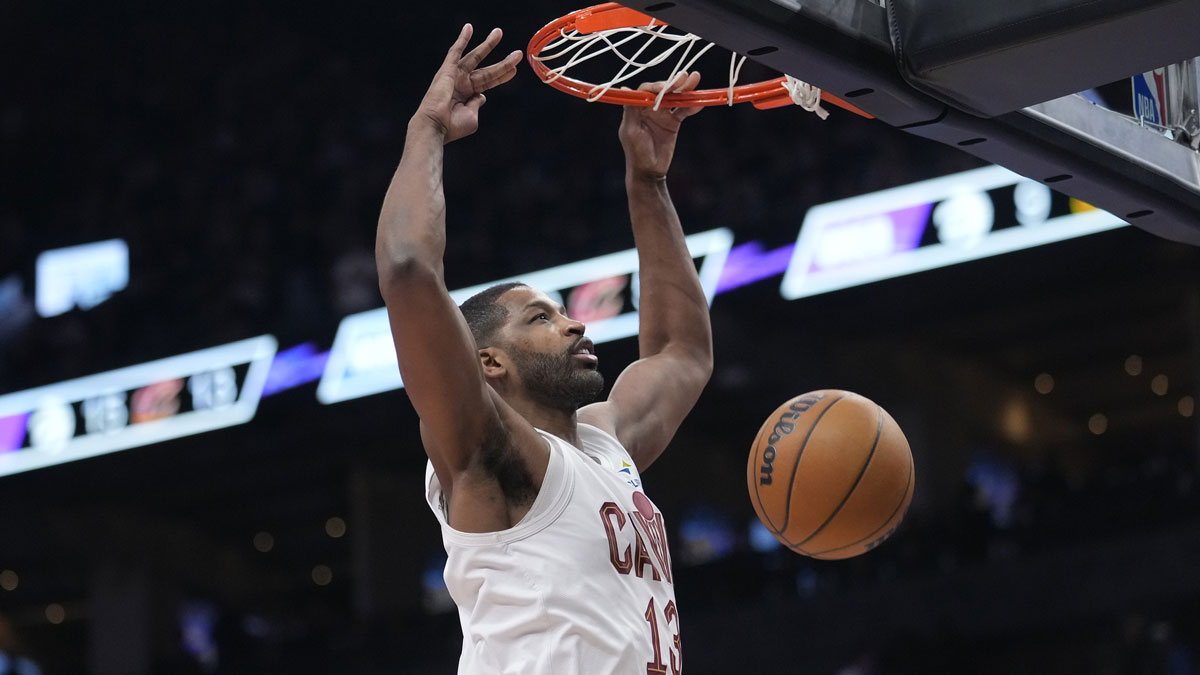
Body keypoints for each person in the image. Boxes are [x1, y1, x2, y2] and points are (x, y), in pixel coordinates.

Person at [375, 23, 711, 674]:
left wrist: (648, 181)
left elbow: (681, 351)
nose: (576, 325)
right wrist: (428, 130)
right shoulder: (491, 453)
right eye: (540, 318)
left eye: (565, 312)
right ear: (488, 362)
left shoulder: (603, 442)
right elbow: (408, 269)